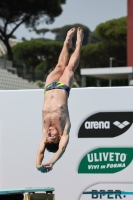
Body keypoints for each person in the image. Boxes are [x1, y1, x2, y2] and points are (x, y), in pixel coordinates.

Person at [36, 27, 84, 173]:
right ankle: (79, 43)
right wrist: (52, 162)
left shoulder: (45, 131)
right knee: (69, 68)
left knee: (59, 65)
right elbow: (62, 148)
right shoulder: (64, 130)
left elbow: (40, 152)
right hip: (63, 88)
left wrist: (38, 165)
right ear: (58, 137)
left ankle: (66, 42)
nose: (49, 134)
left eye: (48, 137)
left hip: (49, 87)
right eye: (52, 137)